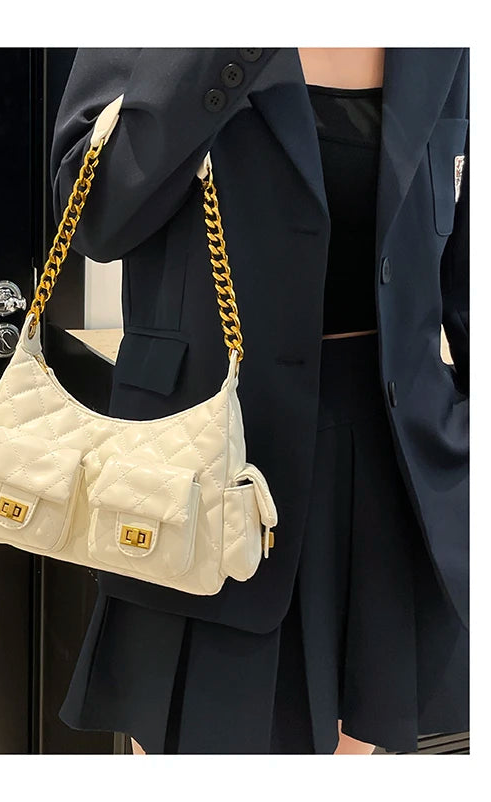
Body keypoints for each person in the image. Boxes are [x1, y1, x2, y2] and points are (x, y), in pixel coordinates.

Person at [48, 47, 469, 754]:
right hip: (201, 452)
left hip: (395, 452)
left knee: (356, 743)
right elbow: (97, 220)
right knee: (197, 740)